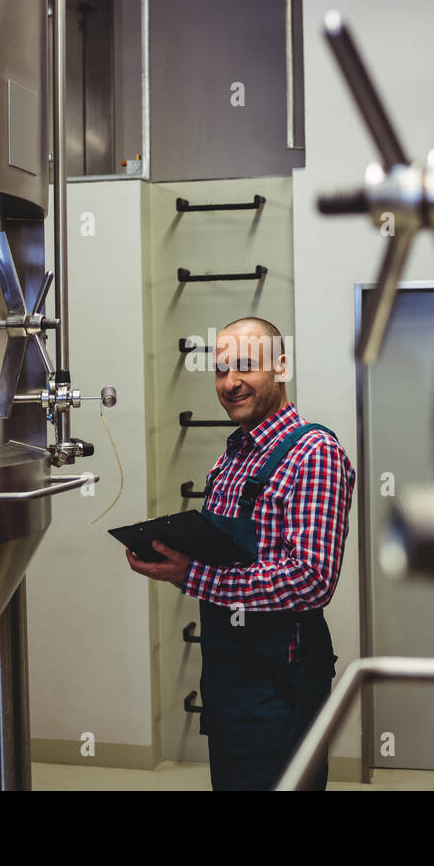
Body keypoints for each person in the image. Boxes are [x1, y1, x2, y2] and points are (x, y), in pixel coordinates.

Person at [125, 316, 356, 790]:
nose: (230, 383)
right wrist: (170, 546)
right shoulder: (231, 457)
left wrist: (189, 575)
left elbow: (311, 580)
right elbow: (227, 553)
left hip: (281, 688)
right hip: (229, 681)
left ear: (282, 367)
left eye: (245, 367)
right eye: (220, 370)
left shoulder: (313, 453)